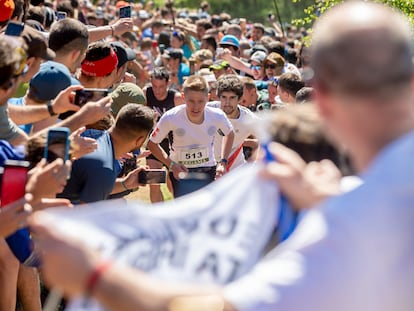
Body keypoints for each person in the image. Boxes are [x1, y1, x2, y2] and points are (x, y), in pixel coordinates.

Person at [29, 2, 414, 311]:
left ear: (322, 100)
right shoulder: (363, 200)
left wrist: (96, 274)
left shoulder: (351, 221)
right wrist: (329, 200)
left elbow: (212, 305)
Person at [147, 75, 235, 197]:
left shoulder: (217, 115)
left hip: (208, 168)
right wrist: (171, 165)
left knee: (207, 208)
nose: (196, 106)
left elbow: (230, 133)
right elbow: (152, 144)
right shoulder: (171, 117)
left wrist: (223, 162)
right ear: (183, 97)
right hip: (180, 170)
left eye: (200, 101)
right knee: (183, 209)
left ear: (208, 98)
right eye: (191, 101)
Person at [58, 104, 154, 204]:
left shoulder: (91, 134)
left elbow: (94, 185)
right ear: (139, 140)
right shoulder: (105, 167)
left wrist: (125, 183)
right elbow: (83, 216)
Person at [143, 67, 182, 202]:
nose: (157, 91)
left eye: (161, 87)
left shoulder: (176, 98)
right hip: (154, 145)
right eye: (154, 86)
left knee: (174, 184)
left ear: (168, 83)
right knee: (153, 183)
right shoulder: (146, 94)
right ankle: (156, 217)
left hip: (173, 145)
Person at [208, 74, 258, 171]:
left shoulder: (248, 118)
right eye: (223, 97)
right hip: (209, 168)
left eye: (232, 98)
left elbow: (269, 138)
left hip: (235, 170)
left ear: (239, 99)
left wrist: (255, 163)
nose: (227, 102)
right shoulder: (208, 110)